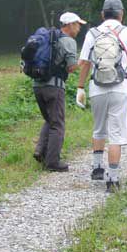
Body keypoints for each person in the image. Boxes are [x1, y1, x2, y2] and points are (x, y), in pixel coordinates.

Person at [76, 0, 127, 192]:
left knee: (99, 128)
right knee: (116, 135)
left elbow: (85, 63)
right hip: (120, 88)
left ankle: (97, 168)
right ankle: (112, 180)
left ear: (102, 15)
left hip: (96, 87)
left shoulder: (92, 32)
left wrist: (80, 88)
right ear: (121, 14)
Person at [33, 12, 86, 171]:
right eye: (77, 25)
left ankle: (40, 151)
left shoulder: (48, 38)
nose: (79, 28)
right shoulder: (68, 41)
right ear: (69, 25)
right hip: (54, 87)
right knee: (58, 124)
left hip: (37, 86)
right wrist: (83, 62)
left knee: (50, 119)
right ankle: (52, 163)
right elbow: (71, 68)